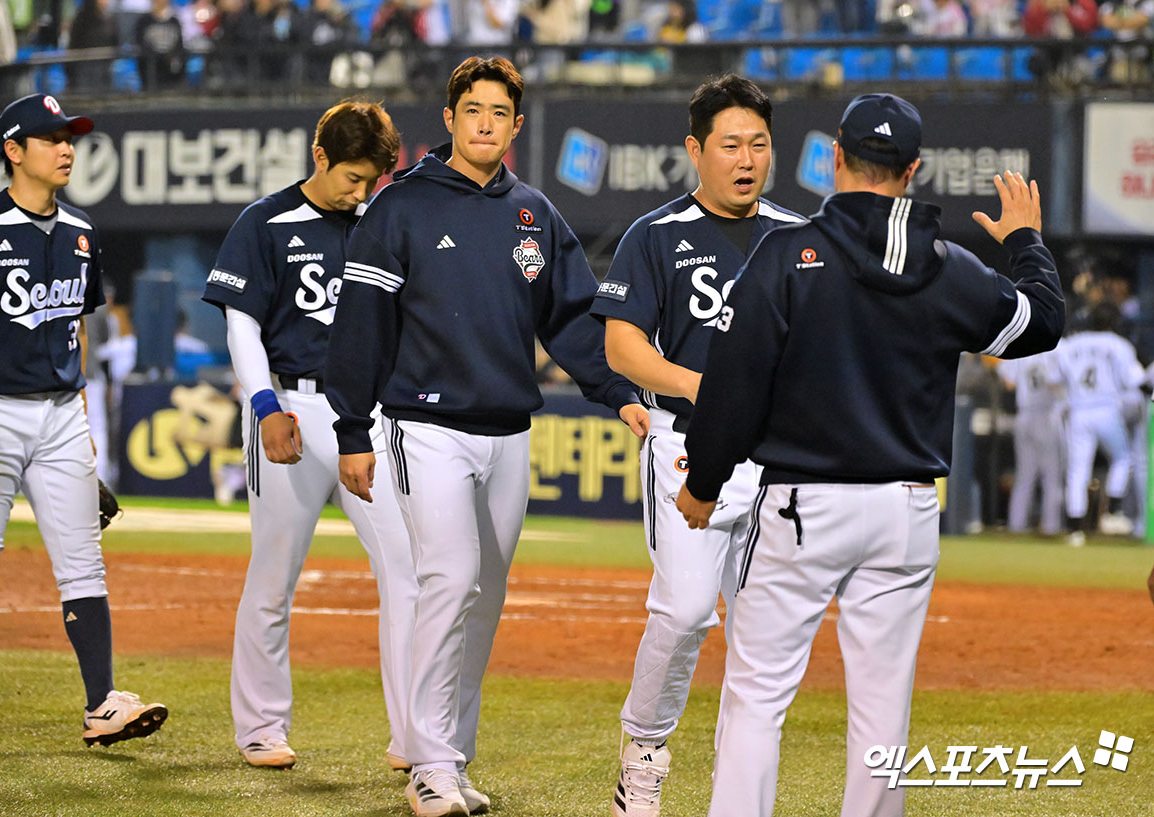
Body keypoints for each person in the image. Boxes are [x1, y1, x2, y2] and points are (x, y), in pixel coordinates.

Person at [675, 93, 1064, 817]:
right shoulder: (951, 269)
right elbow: (1042, 321)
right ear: (912, 170)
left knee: (758, 696)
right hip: (905, 511)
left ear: (833, 159)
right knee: (884, 710)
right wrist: (1025, 241)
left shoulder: (787, 255)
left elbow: (735, 383)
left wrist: (703, 479)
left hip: (801, 507)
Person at [325, 56, 647, 817]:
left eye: (498, 113)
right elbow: (361, 325)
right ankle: (427, 759)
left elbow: (573, 320)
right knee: (448, 578)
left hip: (508, 431)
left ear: (515, 125)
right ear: (449, 117)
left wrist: (618, 393)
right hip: (424, 425)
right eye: (471, 109)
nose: (484, 123)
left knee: (485, 596)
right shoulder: (397, 207)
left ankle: (451, 754)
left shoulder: (533, 213)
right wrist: (350, 427)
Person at [590, 74, 803, 817]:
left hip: (781, 459)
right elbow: (622, 347)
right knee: (683, 611)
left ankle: (740, 798)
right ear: (695, 150)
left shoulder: (798, 236)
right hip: (685, 443)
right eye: (730, 145)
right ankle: (643, 755)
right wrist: (708, 387)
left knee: (763, 639)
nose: (746, 159)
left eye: (759, 144)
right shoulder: (653, 236)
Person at [201, 100, 418, 771]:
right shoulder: (263, 222)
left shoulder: (381, 223)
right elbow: (242, 325)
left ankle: (416, 733)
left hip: (369, 416)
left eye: (374, 179)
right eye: (354, 177)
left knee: (406, 571)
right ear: (319, 156)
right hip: (291, 405)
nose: (363, 190)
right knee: (274, 574)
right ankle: (262, 725)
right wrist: (264, 405)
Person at [0, 94, 168, 746]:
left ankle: (102, 703)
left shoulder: (80, 230)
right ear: (14, 151)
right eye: (49, 138)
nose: (66, 146)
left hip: (60, 414)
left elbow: (72, 324)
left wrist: (80, 423)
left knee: (83, 563)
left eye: (69, 136)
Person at [1057, 302, 1145, 545]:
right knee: (1123, 457)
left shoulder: (1072, 343)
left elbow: (1058, 377)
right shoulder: (1119, 344)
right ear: (1114, 321)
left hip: (1079, 410)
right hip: (1106, 409)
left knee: (1077, 469)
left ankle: (1075, 530)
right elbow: (1135, 380)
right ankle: (1113, 512)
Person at [997, 348, 1066, 536]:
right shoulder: (1058, 348)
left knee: (1024, 475)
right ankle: (1051, 526)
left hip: (1024, 415)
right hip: (1045, 414)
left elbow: (1007, 381)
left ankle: (1016, 525)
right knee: (1051, 476)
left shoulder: (1024, 346)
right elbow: (1055, 381)